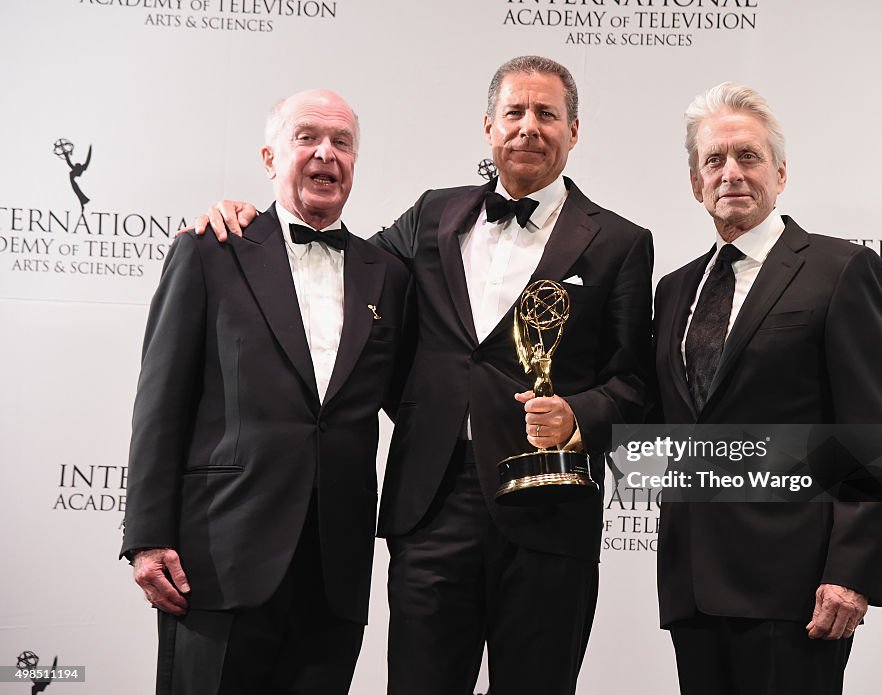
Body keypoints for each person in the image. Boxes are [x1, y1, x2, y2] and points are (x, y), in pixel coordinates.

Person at [195, 55, 653, 695]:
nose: (529, 127)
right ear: (488, 127)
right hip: (431, 503)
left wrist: (580, 416)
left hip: (549, 508)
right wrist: (258, 224)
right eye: (515, 112)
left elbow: (635, 384)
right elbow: (340, 264)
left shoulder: (621, 242)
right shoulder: (434, 215)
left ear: (574, 130)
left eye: (547, 114)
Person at [120, 89, 410, 695]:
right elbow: (160, 403)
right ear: (270, 157)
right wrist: (148, 538)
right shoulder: (209, 249)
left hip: (335, 571)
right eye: (307, 137)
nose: (326, 153)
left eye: (342, 143)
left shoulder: (388, 274)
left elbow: (413, 398)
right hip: (218, 558)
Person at [652, 82, 882, 694]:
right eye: (714, 160)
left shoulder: (839, 270)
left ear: (781, 173)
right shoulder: (674, 290)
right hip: (694, 586)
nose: (731, 172)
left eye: (748, 156)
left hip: (798, 588)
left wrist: (851, 572)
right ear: (695, 182)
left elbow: (873, 434)